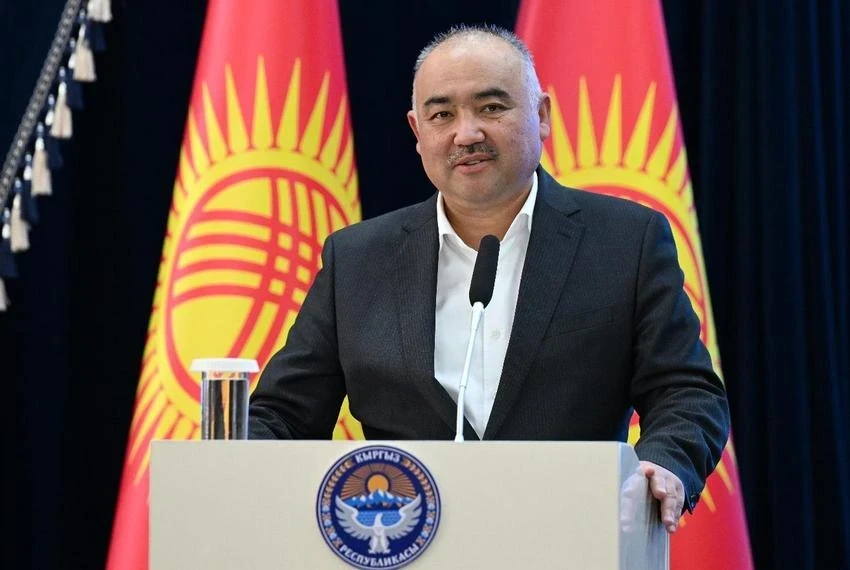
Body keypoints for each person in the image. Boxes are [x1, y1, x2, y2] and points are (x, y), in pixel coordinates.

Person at [249, 24, 729, 534]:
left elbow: (685, 391)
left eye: (492, 108)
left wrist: (666, 463)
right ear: (417, 132)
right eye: (442, 115)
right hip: (402, 542)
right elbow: (283, 414)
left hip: (573, 536)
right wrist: (230, 467)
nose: (466, 134)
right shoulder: (358, 258)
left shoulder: (625, 241)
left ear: (542, 116)